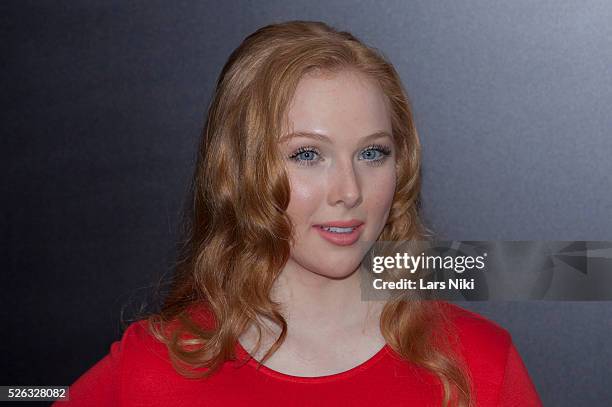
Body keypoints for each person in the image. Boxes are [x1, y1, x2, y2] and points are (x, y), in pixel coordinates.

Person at [56, 21, 542, 406]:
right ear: (238, 170)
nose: (349, 191)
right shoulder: (155, 367)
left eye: (372, 153)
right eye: (308, 154)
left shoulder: (479, 364)